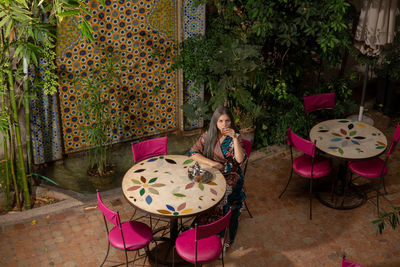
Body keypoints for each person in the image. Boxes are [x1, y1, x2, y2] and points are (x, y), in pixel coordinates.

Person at [189, 106, 247, 245]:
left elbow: (240, 160)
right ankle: (202, 227)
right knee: (196, 190)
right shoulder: (209, 135)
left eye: (227, 121)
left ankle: (221, 234)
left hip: (231, 176)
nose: (224, 125)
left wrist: (234, 137)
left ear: (231, 122)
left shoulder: (236, 138)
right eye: (221, 121)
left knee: (222, 196)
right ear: (215, 122)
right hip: (213, 173)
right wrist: (212, 164)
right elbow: (193, 153)